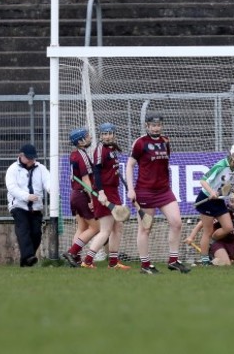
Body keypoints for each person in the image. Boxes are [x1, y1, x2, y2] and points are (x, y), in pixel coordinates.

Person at [126, 114, 189, 274]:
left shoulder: (165, 141)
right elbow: (130, 165)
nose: (156, 128)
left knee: (176, 223)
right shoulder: (140, 143)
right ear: (147, 126)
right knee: (145, 228)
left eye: (159, 125)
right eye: (153, 125)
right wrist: (131, 189)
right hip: (145, 191)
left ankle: (173, 260)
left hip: (164, 190)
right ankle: (145, 265)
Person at [81, 123, 130, 269]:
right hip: (105, 192)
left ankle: (113, 262)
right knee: (106, 229)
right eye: (104, 134)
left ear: (114, 134)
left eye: (109, 133)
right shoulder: (100, 150)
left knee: (118, 226)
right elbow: (96, 172)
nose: (107, 136)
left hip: (113, 191)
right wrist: (101, 192)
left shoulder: (112, 148)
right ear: (101, 136)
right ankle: (87, 261)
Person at [194, 143, 234, 266]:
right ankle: (204, 260)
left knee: (228, 227)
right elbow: (203, 180)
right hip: (206, 199)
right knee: (207, 231)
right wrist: (211, 191)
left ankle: (213, 241)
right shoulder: (220, 165)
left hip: (219, 200)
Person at [5, 144, 50, 267]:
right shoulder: (12, 169)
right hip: (19, 206)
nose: (31, 160)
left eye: (33, 158)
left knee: (36, 234)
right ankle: (29, 256)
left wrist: (53, 190)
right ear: (20, 156)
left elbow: (48, 181)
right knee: (23, 230)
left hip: (36, 208)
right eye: (29, 158)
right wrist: (26, 196)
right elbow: (12, 188)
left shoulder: (41, 168)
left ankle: (26, 260)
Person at [62, 128, 101, 267]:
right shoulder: (81, 155)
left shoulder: (73, 154)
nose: (90, 138)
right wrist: (91, 199)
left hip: (75, 195)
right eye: (87, 136)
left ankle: (76, 259)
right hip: (82, 195)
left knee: (82, 227)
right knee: (96, 228)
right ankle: (72, 252)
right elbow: (85, 180)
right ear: (80, 141)